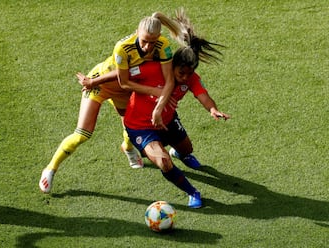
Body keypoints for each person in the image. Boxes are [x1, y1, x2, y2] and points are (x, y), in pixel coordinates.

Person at [39, 12, 184, 193]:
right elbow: (123, 80)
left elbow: (168, 79)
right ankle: (50, 169)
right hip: (102, 84)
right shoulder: (123, 47)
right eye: (144, 41)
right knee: (83, 133)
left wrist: (163, 97)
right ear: (137, 32)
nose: (148, 47)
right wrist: (157, 92)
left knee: (130, 125)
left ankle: (128, 148)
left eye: (152, 42)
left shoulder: (163, 46)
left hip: (128, 89)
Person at [124, 9, 230, 208]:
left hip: (169, 120)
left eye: (189, 74)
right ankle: (193, 192)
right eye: (181, 73)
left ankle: (179, 152)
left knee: (188, 149)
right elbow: (120, 76)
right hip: (140, 126)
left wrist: (213, 110)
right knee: (164, 162)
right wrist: (94, 81)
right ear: (172, 65)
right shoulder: (155, 68)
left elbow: (203, 96)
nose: (184, 78)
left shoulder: (190, 78)